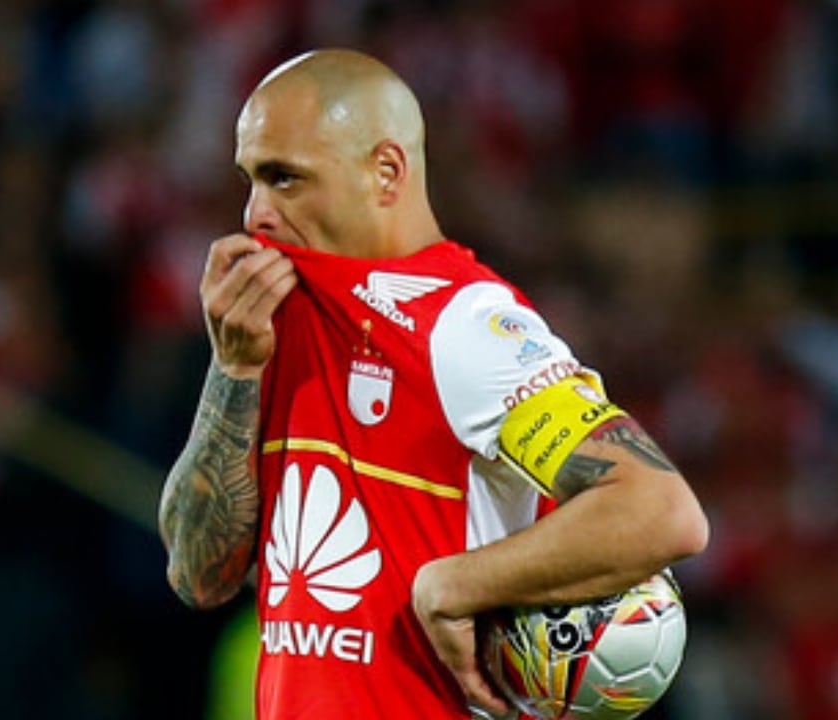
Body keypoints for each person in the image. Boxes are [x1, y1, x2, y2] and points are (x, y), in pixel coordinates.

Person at [157, 48, 709, 719]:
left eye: (284, 179)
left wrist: (456, 583)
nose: (256, 215)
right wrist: (234, 367)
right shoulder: (277, 322)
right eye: (250, 179)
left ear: (385, 172)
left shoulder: (465, 321)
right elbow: (197, 574)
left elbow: (661, 509)